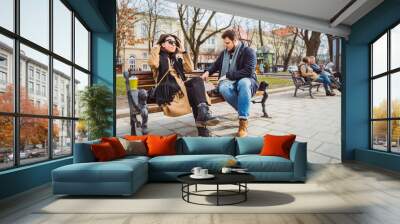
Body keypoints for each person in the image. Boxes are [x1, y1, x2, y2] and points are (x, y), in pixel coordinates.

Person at [148, 34, 219, 137]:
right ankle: (203, 129)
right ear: (162, 44)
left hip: (182, 88)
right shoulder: (158, 57)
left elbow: (190, 68)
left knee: (197, 83)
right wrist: (156, 47)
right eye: (170, 42)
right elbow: (153, 64)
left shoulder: (177, 59)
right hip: (170, 91)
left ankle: (203, 113)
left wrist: (184, 52)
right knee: (196, 96)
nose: (174, 44)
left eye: (175, 43)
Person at [201, 30, 259, 137]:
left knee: (243, 83)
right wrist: (207, 72)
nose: (226, 45)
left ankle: (243, 124)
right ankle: (243, 111)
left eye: (228, 43)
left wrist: (228, 75)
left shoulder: (248, 51)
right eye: (225, 43)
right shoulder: (224, 53)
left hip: (247, 79)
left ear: (235, 41)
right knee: (223, 88)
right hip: (229, 83)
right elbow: (215, 65)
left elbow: (248, 71)